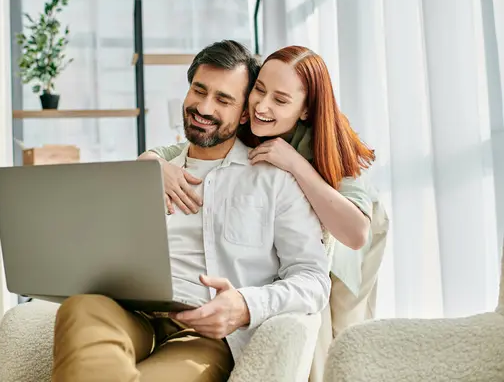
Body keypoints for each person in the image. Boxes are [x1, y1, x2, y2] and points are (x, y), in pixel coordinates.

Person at [51, 40, 331, 382]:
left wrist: (245, 305)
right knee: (80, 308)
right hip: (128, 312)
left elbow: (313, 279)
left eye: (223, 99)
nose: (204, 107)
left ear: (244, 113)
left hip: (201, 332)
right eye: (199, 90)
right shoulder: (151, 170)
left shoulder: (276, 182)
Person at [141, 45, 390, 381]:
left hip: (350, 238)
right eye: (259, 90)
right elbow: (173, 150)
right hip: (298, 233)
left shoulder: (326, 142)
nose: (262, 105)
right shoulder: (248, 123)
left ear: (304, 110)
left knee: (336, 338)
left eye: (281, 99)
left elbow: (356, 234)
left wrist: (296, 165)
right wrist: (154, 165)